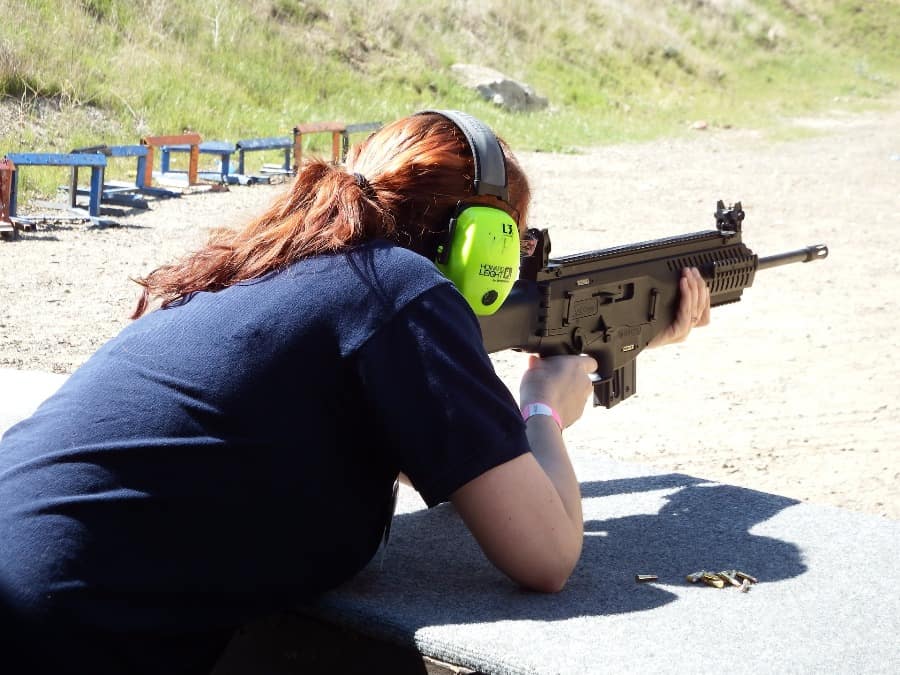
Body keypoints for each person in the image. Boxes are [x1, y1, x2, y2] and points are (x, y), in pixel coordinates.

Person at [0, 110, 710, 674]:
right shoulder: (402, 288)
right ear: (481, 243)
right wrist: (544, 407)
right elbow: (546, 554)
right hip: (57, 639)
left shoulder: (284, 271)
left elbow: (436, 457)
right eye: (517, 244)